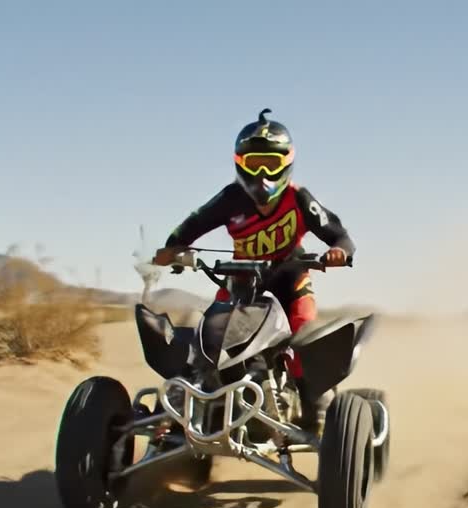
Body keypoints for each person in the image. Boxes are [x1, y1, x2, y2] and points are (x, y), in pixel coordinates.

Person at [151, 108, 355, 430]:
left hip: (291, 281)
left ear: (286, 163)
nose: (262, 174)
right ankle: (185, 406)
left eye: (271, 163)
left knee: (305, 337)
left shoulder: (298, 198)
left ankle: (316, 407)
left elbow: (339, 234)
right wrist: (172, 249)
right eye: (254, 163)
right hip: (240, 281)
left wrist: (338, 252)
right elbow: (189, 227)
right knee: (205, 338)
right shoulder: (230, 199)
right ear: (240, 163)